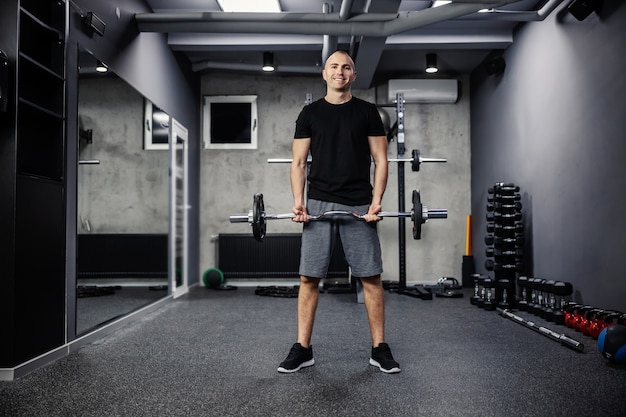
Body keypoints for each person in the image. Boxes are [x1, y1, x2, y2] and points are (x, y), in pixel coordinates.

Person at [277, 50, 400, 374]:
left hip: (359, 202)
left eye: (346, 67)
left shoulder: (367, 112)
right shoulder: (310, 114)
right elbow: (299, 162)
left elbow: (381, 160)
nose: (340, 72)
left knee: (370, 278)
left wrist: (376, 201)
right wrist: (298, 201)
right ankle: (303, 348)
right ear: (324, 73)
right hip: (318, 201)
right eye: (334, 66)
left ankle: (379, 348)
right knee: (309, 278)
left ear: (354, 75)